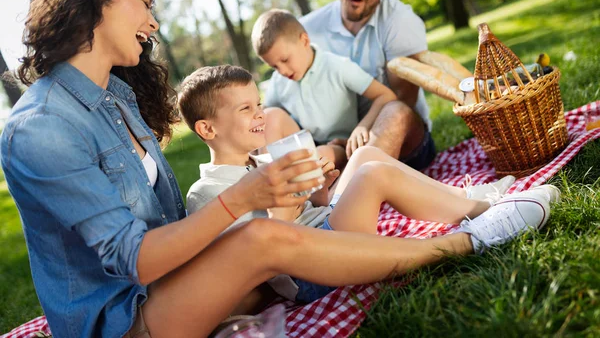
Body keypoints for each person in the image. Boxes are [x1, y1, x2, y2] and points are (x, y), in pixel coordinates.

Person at [0, 0, 557, 337]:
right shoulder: (41, 130)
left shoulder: (115, 98)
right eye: (143, 1)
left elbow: (167, 228)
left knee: (277, 245)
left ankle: (470, 213)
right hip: (129, 321)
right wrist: (245, 198)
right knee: (260, 243)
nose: (153, 20)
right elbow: (136, 261)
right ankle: (470, 240)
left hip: (178, 288)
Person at [178, 64, 558, 304]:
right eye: (246, 109)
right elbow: (254, 267)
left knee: (365, 158)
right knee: (373, 176)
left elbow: (310, 210)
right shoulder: (208, 195)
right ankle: (485, 215)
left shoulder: (259, 162)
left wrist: (320, 189)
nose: (260, 114)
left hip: (324, 231)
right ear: (207, 129)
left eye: (258, 104)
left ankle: (468, 198)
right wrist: (288, 212)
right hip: (311, 272)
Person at [300, 0, 444, 170]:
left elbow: (403, 99)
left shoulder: (401, 22)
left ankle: (341, 200)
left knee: (396, 112)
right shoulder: (306, 32)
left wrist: (356, 139)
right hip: (335, 145)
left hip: (402, 144)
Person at [251, 8, 396, 168]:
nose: (282, 71)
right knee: (269, 115)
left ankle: (288, 178)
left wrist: (362, 126)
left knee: (317, 155)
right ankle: (265, 173)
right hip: (302, 141)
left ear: (304, 41)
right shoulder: (279, 81)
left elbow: (386, 96)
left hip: (337, 146)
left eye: (285, 60)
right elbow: (267, 116)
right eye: (274, 67)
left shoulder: (338, 67)